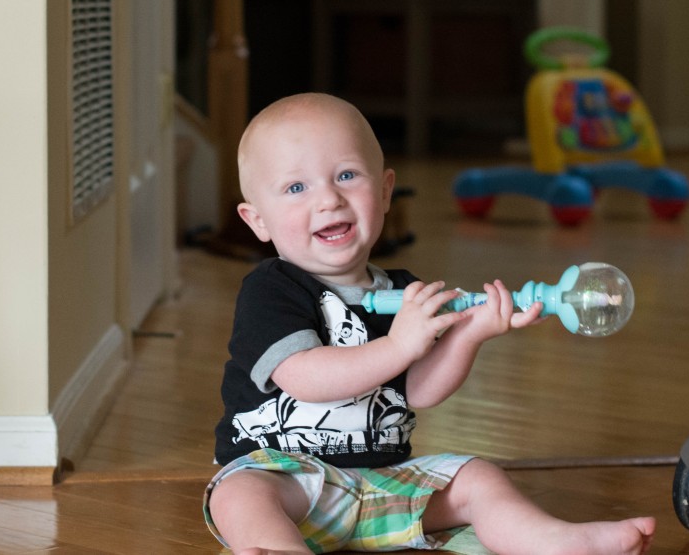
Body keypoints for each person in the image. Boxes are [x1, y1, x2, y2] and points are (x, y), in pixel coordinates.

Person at [203, 92, 655, 555]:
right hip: (289, 485)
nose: (329, 199)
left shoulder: (406, 292)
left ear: (383, 192)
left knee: (478, 477)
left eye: (346, 175)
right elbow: (303, 377)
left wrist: (471, 331)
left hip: (384, 488)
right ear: (257, 219)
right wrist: (399, 346)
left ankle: (557, 541)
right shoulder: (271, 289)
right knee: (238, 495)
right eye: (296, 188)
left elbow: (418, 391)